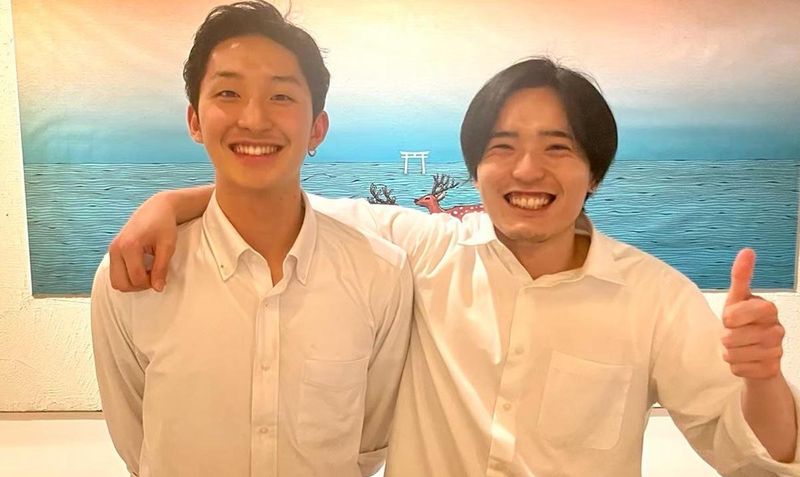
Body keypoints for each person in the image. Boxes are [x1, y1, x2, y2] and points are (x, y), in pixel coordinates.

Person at [107, 57, 799, 476]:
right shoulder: (422, 250)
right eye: (503, 147)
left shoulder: (654, 297)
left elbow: (759, 458)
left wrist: (763, 377)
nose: (526, 170)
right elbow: (277, 200)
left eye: (558, 148)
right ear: (475, 168)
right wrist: (165, 203)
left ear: (594, 172)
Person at [90, 2, 412, 476]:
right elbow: (138, 442)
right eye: (228, 93)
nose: (255, 119)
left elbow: (367, 444)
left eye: (281, 96)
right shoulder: (135, 277)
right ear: (195, 121)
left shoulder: (380, 274)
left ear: (317, 129)